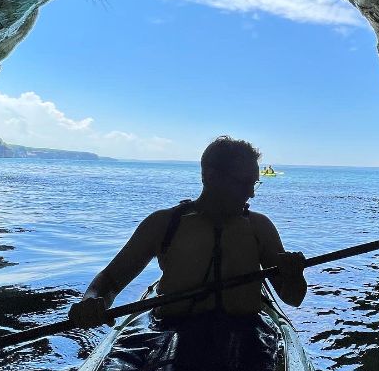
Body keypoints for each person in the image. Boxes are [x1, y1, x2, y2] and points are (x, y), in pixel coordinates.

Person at [69, 136, 306, 326]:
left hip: (246, 334)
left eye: (254, 184)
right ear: (209, 177)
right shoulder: (162, 224)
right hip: (173, 334)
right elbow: (109, 280)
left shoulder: (260, 227)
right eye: (243, 183)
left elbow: (293, 298)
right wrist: (90, 301)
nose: (251, 193)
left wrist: (294, 275)